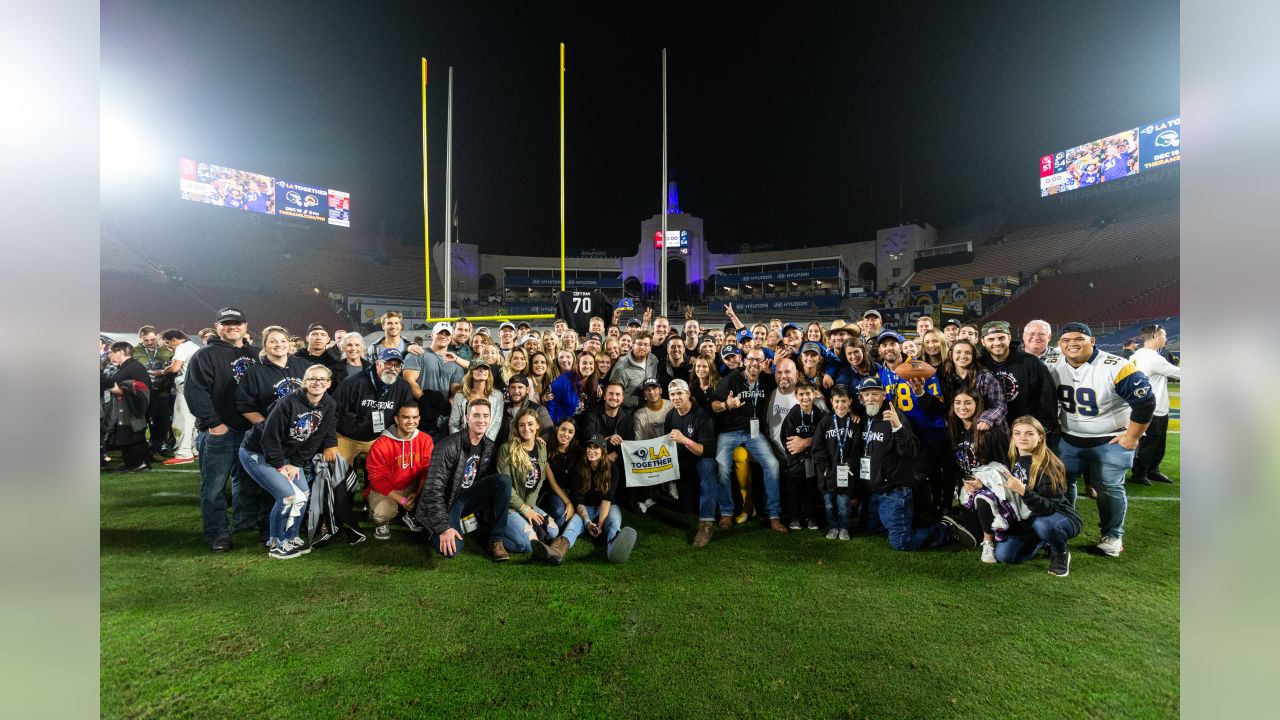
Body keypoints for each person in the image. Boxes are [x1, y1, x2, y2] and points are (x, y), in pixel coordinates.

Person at [1046, 322, 1155, 557]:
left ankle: (1113, 535)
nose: (1072, 344)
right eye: (1065, 340)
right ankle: (1065, 525)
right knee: (1062, 483)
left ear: (1092, 341)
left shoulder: (1116, 366)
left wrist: (1132, 437)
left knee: (1109, 487)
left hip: (1109, 438)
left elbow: (1144, 402)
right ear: (1059, 344)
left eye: (1079, 339)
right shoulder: (1052, 363)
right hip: (1069, 437)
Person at [852, 378, 970, 551]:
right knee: (871, 529)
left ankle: (946, 529)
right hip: (872, 492)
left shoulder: (895, 415)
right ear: (861, 398)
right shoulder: (863, 418)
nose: (870, 398)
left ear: (883, 396)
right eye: (866, 394)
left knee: (901, 541)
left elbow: (911, 451)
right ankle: (915, 520)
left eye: (875, 394)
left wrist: (897, 426)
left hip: (893, 491)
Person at [184, 307, 264, 552]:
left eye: (237, 323)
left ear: (246, 325)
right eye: (227, 323)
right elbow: (195, 393)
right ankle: (217, 534)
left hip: (249, 432)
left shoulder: (256, 353)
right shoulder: (205, 355)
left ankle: (245, 522)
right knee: (214, 488)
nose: (232, 327)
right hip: (220, 431)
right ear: (217, 326)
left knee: (248, 482)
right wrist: (215, 425)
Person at [237, 365, 338, 558]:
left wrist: (296, 463)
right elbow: (269, 437)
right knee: (287, 496)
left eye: (322, 380)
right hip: (257, 453)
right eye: (312, 379)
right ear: (304, 382)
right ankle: (276, 542)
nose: (317, 383)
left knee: (304, 493)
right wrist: (279, 465)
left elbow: (317, 437)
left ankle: (291, 537)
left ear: (328, 383)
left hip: (286, 456)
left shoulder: (329, 403)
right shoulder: (287, 402)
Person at [974, 416, 1082, 577]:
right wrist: (981, 484)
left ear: (1040, 437)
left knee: (1043, 525)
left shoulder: (1047, 465)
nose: (1022, 437)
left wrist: (1023, 491)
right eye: (1017, 433)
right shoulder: (1013, 458)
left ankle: (1060, 552)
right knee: (1005, 556)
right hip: (1030, 518)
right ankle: (1043, 540)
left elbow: (1049, 507)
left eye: (1029, 434)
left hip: (1057, 516)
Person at [413, 399, 513, 561]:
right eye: (476, 415)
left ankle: (496, 541)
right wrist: (444, 528)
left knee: (503, 481)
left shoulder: (489, 447)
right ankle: (430, 530)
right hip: (446, 504)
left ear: (490, 418)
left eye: (485, 416)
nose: (481, 420)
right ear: (467, 418)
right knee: (451, 551)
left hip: (466, 500)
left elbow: (485, 485)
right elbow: (432, 491)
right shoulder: (447, 446)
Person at [710, 347, 787, 533]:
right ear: (744, 361)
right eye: (751, 359)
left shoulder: (766, 380)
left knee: (772, 465)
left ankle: (773, 515)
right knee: (721, 468)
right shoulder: (731, 380)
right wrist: (726, 405)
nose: (754, 363)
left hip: (754, 433)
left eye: (758, 360)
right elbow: (713, 405)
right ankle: (727, 512)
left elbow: (786, 384)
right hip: (729, 432)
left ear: (763, 363)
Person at [543, 434, 638, 564]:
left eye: (596, 448)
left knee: (614, 525)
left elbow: (607, 499)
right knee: (571, 528)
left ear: (603, 451)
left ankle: (613, 549)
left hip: (607, 507)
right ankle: (556, 552)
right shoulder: (578, 469)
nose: (591, 451)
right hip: (585, 507)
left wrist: (600, 524)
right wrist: (587, 522)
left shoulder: (613, 469)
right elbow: (579, 499)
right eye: (589, 447)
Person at [946, 387, 1010, 562]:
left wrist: (984, 482)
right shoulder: (954, 431)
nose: (962, 407)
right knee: (973, 532)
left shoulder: (991, 431)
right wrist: (964, 480)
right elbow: (956, 465)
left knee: (983, 499)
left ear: (977, 405)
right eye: (958, 403)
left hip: (994, 491)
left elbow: (1005, 466)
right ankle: (952, 523)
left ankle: (989, 543)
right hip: (969, 489)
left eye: (968, 402)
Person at [665, 379, 726, 546]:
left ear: (688, 394)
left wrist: (685, 440)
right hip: (683, 462)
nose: (676, 397)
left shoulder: (702, 416)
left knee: (708, 467)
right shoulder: (671, 415)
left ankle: (706, 523)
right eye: (672, 394)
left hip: (701, 459)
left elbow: (705, 451)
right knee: (686, 508)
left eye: (679, 393)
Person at [497, 408, 563, 560]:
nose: (526, 428)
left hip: (528, 504)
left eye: (530, 424)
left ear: (537, 425)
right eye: (522, 425)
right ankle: (494, 535)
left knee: (553, 531)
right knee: (527, 544)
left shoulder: (541, 448)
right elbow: (506, 487)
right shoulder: (507, 449)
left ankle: (524, 530)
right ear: (517, 427)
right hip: (509, 505)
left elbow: (539, 481)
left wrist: (530, 509)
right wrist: (524, 509)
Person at [363, 402, 434, 541]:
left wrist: (418, 492)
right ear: (396, 419)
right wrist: (402, 500)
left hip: (410, 485)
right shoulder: (381, 444)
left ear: (419, 418)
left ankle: (410, 515)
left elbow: (427, 470)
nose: (411, 422)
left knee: (434, 492)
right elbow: (377, 479)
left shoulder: (425, 440)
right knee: (382, 513)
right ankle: (380, 522)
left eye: (415, 417)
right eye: (406, 417)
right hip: (386, 488)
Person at [977, 321, 1059, 440]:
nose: (997, 343)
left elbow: (1047, 397)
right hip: (991, 431)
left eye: (1001, 338)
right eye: (991, 339)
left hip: (1025, 433)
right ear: (983, 342)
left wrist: (1044, 429)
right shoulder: (979, 364)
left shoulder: (1030, 362)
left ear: (1009, 338)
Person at [1129, 323, 1181, 485]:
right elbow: (1179, 373)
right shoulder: (1154, 358)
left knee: (1156, 443)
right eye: (1164, 335)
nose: (1165, 338)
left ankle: (1151, 470)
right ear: (1156, 336)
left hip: (1152, 406)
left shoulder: (1136, 355)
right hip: (1153, 408)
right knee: (1149, 444)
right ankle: (1140, 474)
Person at [235, 326, 312, 432]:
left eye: (283, 341)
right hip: (272, 436)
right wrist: (268, 426)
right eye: (273, 341)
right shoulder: (255, 372)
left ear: (288, 344)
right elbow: (245, 406)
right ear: (265, 345)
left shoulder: (303, 364)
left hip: (304, 431)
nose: (279, 344)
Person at [402, 322, 467, 438]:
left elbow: (456, 390)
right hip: (418, 412)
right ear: (432, 334)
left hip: (442, 417)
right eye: (440, 333)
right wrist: (424, 400)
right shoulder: (417, 353)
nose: (443, 336)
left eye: (447, 334)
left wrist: (446, 406)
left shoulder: (456, 362)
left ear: (451, 338)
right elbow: (409, 380)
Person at [780, 382, 826, 532]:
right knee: (794, 488)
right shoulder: (792, 416)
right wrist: (798, 454)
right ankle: (794, 517)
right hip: (796, 460)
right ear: (796, 396)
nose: (805, 397)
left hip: (813, 459)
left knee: (812, 489)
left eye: (808, 394)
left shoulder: (819, 414)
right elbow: (788, 441)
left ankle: (811, 517)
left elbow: (822, 438)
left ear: (814, 394)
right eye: (801, 394)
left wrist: (807, 444)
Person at [101, 341, 152, 471]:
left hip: (133, 408)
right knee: (126, 433)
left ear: (122, 352)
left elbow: (136, 388)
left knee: (133, 433)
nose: (109, 355)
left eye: (112, 352)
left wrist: (107, 382)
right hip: (126, 407)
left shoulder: (133, 367)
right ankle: (131, 463)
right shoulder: (127, 366)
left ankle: (140, 463)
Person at [159, 329, 201, 465]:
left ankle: (183, 453)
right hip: (197, 387)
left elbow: (174, 368)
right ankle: (196, 450)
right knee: (194, 421)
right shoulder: (194, 346)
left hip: (185, 385)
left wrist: (160, 372)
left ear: (174, 340)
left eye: (167, 343)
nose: (168, 346)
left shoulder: (182, 347)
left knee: (182, 420)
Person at [133, 325, 175, 458]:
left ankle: (157, 448)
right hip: (142, 393)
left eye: (152, 339)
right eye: (146, 340)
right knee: (141, 421)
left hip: (163, 391)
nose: (150, 342)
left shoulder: (168, 351)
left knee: (161, 420)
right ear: (141, 339)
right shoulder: (134, 351)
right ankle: (140, 449)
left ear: (157, 336)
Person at [448, 362, 505, 442]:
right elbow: (453, 423)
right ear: (471, 373)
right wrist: (458, 443)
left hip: (488, 442)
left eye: (485, 368)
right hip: (463, 441)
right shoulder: (460, 395)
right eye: (477, 368)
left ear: (488, 373)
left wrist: (487, 443)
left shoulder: (498, 395)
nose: (481, 370)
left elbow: (496, 423)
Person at [496, 374, 553, 445]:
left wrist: (538, 443)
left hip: (528, 453)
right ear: (508, 389)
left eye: (520, 387)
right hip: (504, 453)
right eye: (513, 387)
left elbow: (549, 430)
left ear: (527, 389)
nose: (516, 391)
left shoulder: (538, 409)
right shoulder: (502, 408)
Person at [548, 351, 600, 424]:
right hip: (564, 425)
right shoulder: (562, 381)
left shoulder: (594, 382)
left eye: (591, 363)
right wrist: (552, 427)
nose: (588, 366)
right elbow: (551, 405)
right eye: (584, 363)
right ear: (577, 365)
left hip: (584, 425)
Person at [611, 330, 659, 408]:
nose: (642, 347)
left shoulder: (653, 360)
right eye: (639, 344)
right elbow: (615, 394)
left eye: (646, 344)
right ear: (633, 345)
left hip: (650, 406)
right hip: (627, 410)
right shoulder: (621, 367)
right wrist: (641, 402)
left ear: (650, 347)